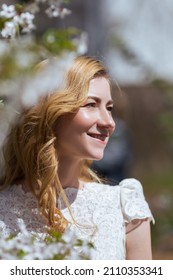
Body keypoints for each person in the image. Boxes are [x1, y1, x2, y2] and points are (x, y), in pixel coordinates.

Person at [0, 55, 154, 260]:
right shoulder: (4, 208)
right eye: (91, 104)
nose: (109, 122)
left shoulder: (124, 206)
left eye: (109, 108)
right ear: (51, 110)